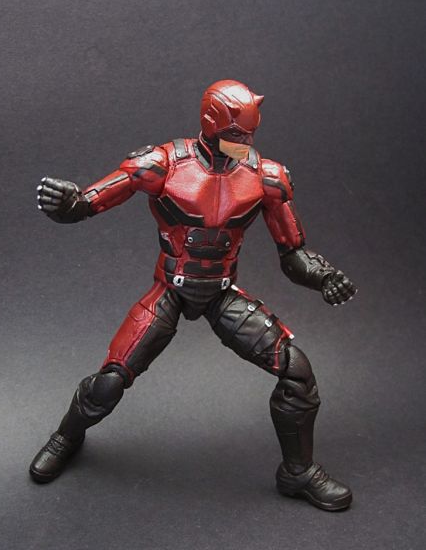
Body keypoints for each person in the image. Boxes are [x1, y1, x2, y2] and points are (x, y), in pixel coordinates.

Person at [30, 79, 357, 511]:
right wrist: (68, 204)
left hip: (221, 293)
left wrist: (323, 277)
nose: (245, 143)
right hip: (171, 289)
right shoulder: (161, 164)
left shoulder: (266, 176)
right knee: (108, 383)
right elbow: (89, 203)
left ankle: (297, 472)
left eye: (250, 134)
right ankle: (66, 436)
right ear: (210, 123)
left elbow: (293, 253)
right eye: (236, 134)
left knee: (297, 374)